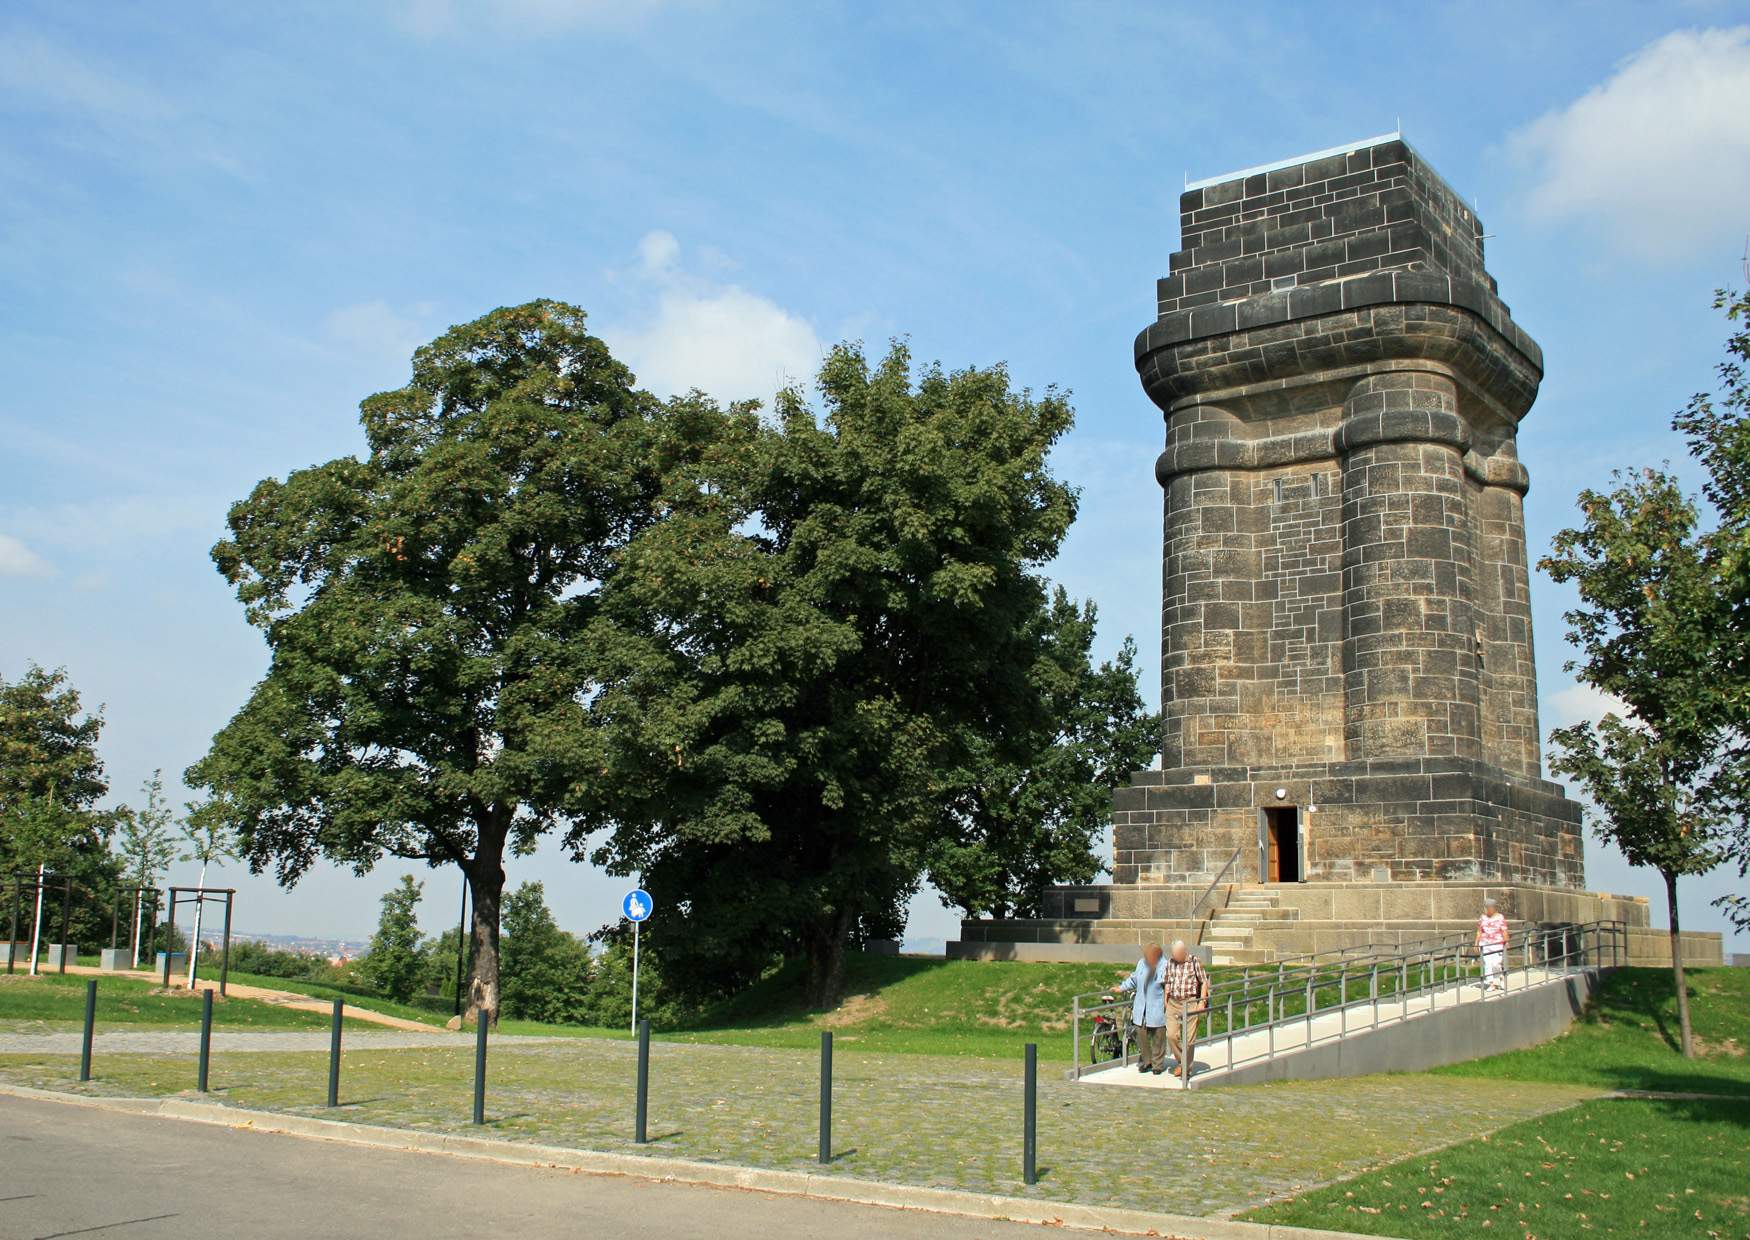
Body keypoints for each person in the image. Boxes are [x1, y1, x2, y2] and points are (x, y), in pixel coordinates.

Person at [1110, 944, 1168, 1074]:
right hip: (1141, 1007)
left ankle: (1157, 1064)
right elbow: (1134, 979)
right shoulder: (1141, 963)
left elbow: (1167, 984)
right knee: (1140, 1034)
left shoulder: (1165, 965)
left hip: (1157, 1006)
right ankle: (1147, 1061)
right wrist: (1121, 988)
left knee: (1158, 1037)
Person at [1163, 939, 1210, 1079]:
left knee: (1189, 1040)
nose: (1176, 957)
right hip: (1173, 1002)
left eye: (1178, 954)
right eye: (1174, 954)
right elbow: (1167, 982)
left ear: (1184, 951)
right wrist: (1165, 999)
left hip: (1190, 1002)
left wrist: (1202, 1001)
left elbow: (1204, 982)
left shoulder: (1194, 962)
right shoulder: (1170, 963)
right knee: (1171, 1035)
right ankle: (1182, 1062)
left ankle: (1185, 1068)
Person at [1476, 897, 1509, 995]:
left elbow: (1504, 930)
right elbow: (1479, 931)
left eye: (1490, 907)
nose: (1488, 909)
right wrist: (1476, 943)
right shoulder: (1482, 917)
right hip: (1485, 943)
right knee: (1487, 964)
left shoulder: (1500, 917)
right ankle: (1491, 984)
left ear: (1494, 908)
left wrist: (1506, 941)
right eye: (1487, 907)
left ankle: (1501, 977)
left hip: (1497, 943)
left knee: (1496, 964)